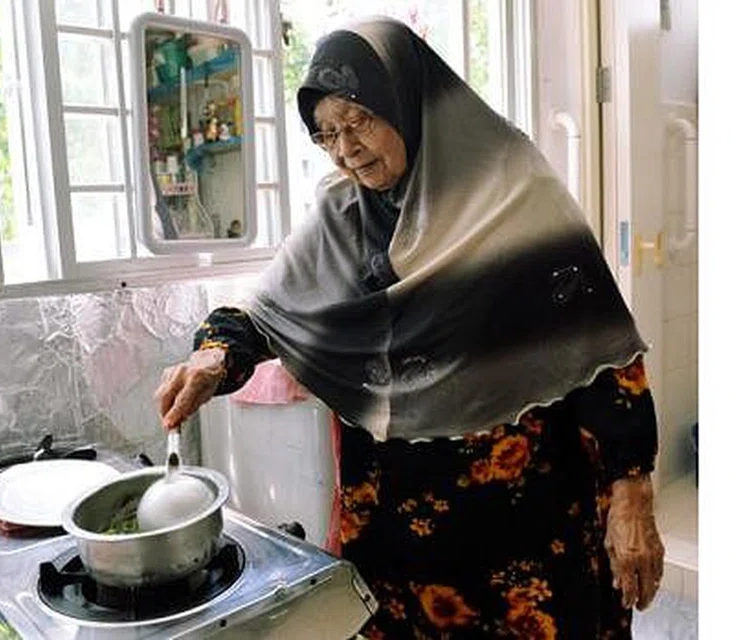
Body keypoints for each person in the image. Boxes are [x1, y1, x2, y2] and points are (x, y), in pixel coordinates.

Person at [155, 17, 663, 639]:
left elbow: (602, 349)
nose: (346, 149)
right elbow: (265, 315)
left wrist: (632, 488)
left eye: (359, 120)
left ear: (408, 100)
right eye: (327, 135)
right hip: (402, 540)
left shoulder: (513, 196)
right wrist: (214, 358)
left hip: (528, 525)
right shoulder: (342, 214)